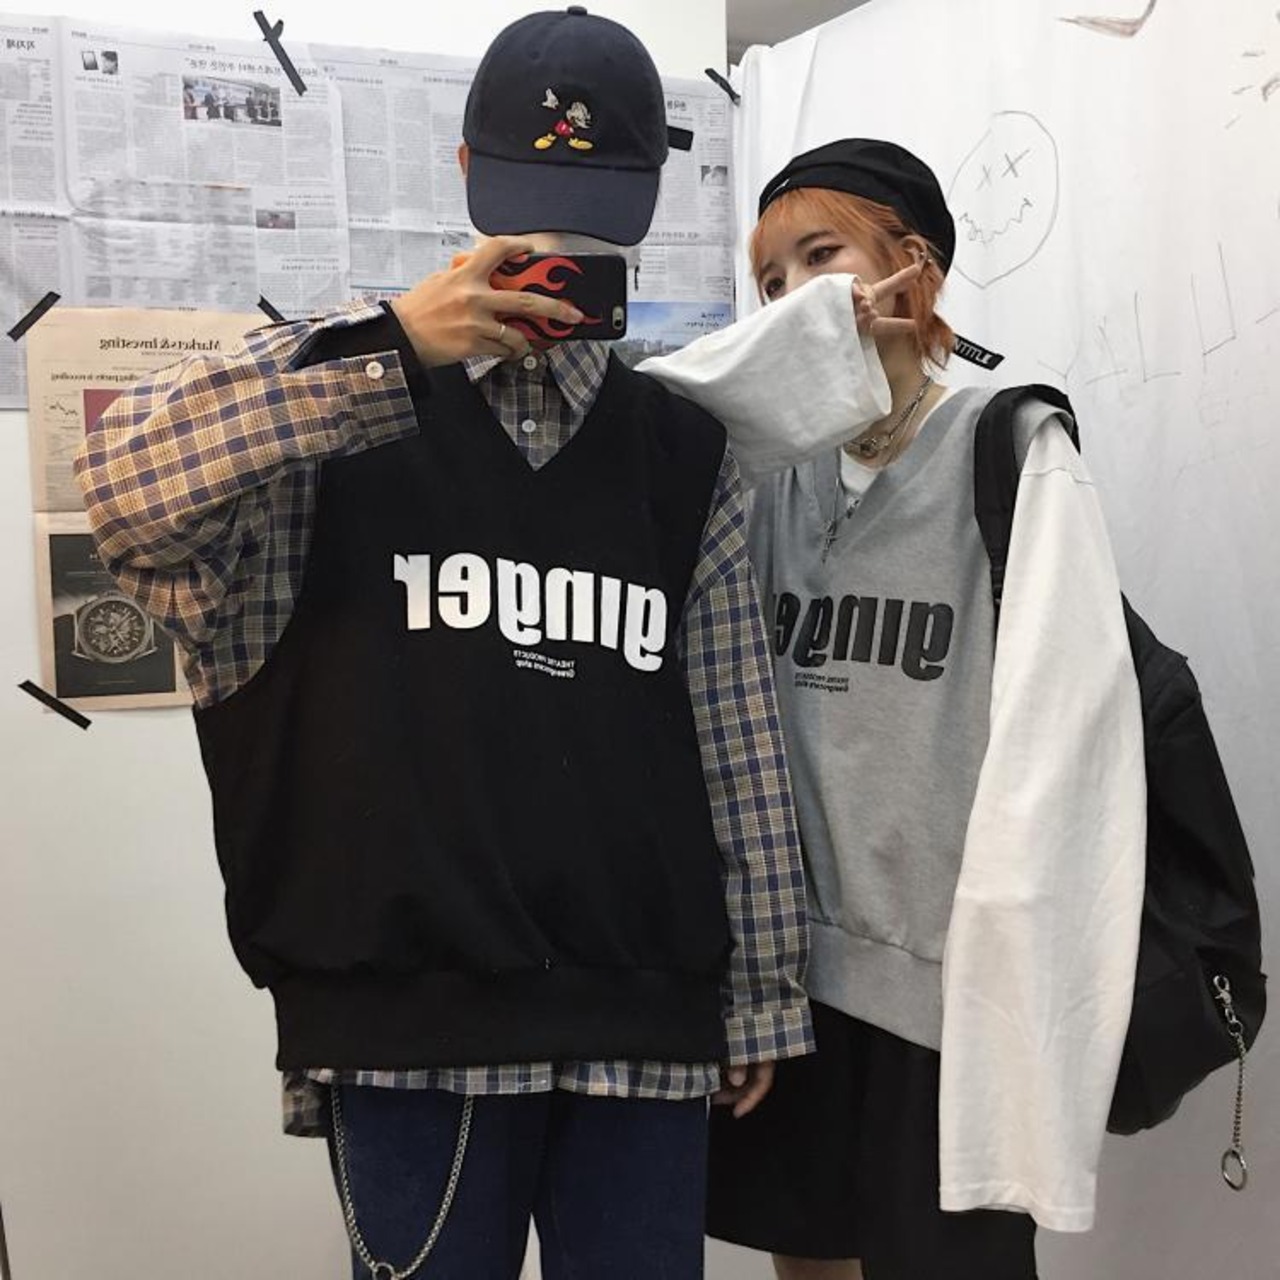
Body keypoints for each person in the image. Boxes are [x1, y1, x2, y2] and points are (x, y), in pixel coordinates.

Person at [75, 9, 812, 1280]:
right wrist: (392, 347)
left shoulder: (680, 451)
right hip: (406, 1023)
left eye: (591, 224)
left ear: (648, 199)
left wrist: (760, 986)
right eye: (530, 214)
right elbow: (124, 485)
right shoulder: (329, 425)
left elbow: (732, 735)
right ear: (466, 176)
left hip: (641, 1016)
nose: (556, 256)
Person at [642, 140, 1146, 1279]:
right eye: (769, 281)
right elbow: (653, 411)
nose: (791, 297)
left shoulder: (1012, 448)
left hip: (942, 997)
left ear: (913, 263)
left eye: (821, 258)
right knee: (805, 1258)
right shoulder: (764, 475)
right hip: (789, 979)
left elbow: (1062, 746)